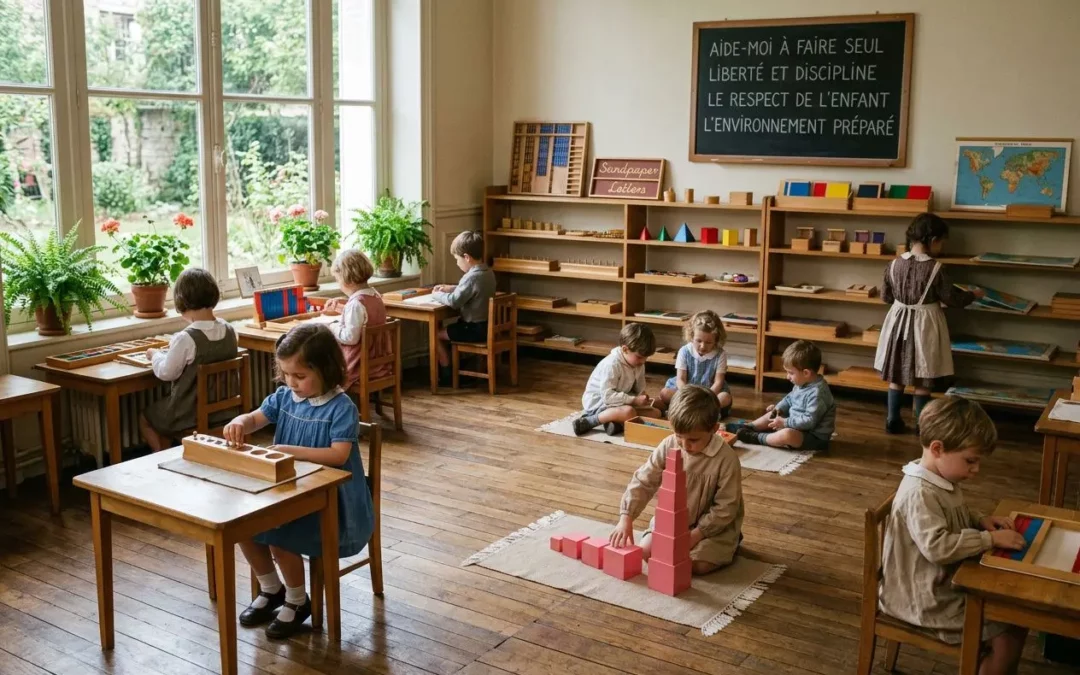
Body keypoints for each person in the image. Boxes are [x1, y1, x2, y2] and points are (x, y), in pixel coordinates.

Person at [223, 324, 374, 639]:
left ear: (326, 370)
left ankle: (297, 599)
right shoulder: (284, 397)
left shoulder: (341, 407)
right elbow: (256, 418)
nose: (291, 382)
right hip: (288, 493)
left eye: (300, 376)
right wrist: (241, 421)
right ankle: (271, 588)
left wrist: (288, 451)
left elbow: (337, 455)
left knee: (281, 534)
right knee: (241, 527)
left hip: (333, 504)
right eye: (286, 374)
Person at [879, 396, 1027, 675]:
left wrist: (979, 520)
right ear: (937, 448)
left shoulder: (941, 477)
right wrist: (989, 540)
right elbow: (937, 547)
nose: (976, 469)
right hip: (921, 598)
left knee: (1012, 612)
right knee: (1010, 626)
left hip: (938, 584)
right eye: (970, 461)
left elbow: (952, 514)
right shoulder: (920, 492)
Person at [609, 385, 743, 574]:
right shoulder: (669, 444)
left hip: (711, 528)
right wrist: (626, 517)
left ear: (714, 429)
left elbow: (727, 507)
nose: (685, 445)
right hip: (672, 521)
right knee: (648, 553)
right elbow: (644, 480)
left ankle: (733, 542)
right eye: (679, 437)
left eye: (693, 440)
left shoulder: (726, 459)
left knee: (696, 565)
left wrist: (696, 535)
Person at [876, 213, 976, 434]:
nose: (942, 247)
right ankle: (922, 424)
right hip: (924, 325)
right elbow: (953, 299)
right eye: (942, 242)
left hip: (898, 322)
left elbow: (886, 297)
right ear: (932, 240)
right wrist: (973, 295)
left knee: (897, 374)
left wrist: (905, 300)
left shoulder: (893, 264)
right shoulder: (936, 268)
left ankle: (893, 419)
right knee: (923, 376)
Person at [140, 268, 237, 452]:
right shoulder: (230, 330)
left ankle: (161, 456)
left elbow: (166, 372)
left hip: (189, 414)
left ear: (182, 300)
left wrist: (155, 355)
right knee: (161, 414)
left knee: (147, 417)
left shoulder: (186, 338)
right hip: (225, 412)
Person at [729, 340, 834, 451]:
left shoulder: (818, 394)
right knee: (772, 414)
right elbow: (789, 399)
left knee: (787, 435)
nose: (787, 377)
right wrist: (778, 408)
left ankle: (757, 437)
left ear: (806, 373)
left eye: (791, 373)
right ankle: (749, 427)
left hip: (813, 436)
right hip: (796, 424)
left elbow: (809, 421)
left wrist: (785, 422)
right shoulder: (802, 382)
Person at [430, 231, 496, 385]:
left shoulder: (471, 277)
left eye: (457, 259)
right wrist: (450, 287)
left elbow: (454, 302)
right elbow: (471, 289)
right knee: (448, 330)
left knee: (435, 334)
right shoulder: (488, 272)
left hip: (473, 329)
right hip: (487, 326)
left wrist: (436, 295)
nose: (457, 263)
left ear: (467, 257)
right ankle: (456, 368)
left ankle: (446, 373)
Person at [572, 323, 661, 436]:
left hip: (620, 401)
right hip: (600, 404)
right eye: (639, 357)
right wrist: (634, 400)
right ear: (625, 349)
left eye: (646, 358)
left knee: (656, 413)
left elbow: (639, 388)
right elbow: (607, 397)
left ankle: (615, 423)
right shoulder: (612, 364)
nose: (643, 361)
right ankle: (589, 421)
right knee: (629, 412)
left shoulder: (638, 364)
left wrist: (642, 397)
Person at [323, 248, 390, 390]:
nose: (338, 284)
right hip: (377, 362)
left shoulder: (356, 304)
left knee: (322, 367)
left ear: (348, 279)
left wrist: (332, 326)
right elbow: (363, 318)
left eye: (337, 280)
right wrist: (342, 308)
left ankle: (329, 405)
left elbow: (350, 337)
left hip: (359, 364)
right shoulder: (374, 295)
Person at [658, 310, 733, 418]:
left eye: (708, 342)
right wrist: (688, 396)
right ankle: (701, 411)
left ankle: (691, 410)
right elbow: (681, 379)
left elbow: (718, 382)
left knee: (725, 397)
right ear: (692, 336)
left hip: (709, 393)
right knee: (664, 393)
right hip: (686, 391)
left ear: (716, 340)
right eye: (698, 341)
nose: (702, 346)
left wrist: (705, 398)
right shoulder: (684, 351)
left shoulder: (720, 354)